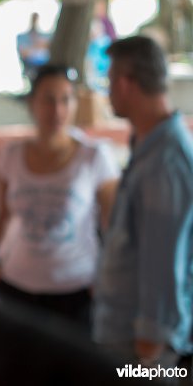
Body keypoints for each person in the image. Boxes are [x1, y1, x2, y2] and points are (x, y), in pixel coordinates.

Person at [0, 64, 120, 331]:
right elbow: (2, 215)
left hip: (75, 288)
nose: (57, 110)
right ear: (32, 103)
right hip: (15, 283)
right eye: (48, 99)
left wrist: (109, 280)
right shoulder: (11, 155)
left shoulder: (94, 156)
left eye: (65, 99)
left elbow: (113, 226)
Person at [93, 36, 193, 368]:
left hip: (142, 349)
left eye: (109, 82)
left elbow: (163, 261)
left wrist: (148, 356)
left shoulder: (165, 163)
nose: (107, 92)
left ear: (124, 84)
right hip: (124, 336)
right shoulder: (149, 146)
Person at [16, 12, 51, 82]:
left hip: (44, 67)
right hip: (30, 67)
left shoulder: (45, 37)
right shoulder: (22, 37)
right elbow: (24, 53)